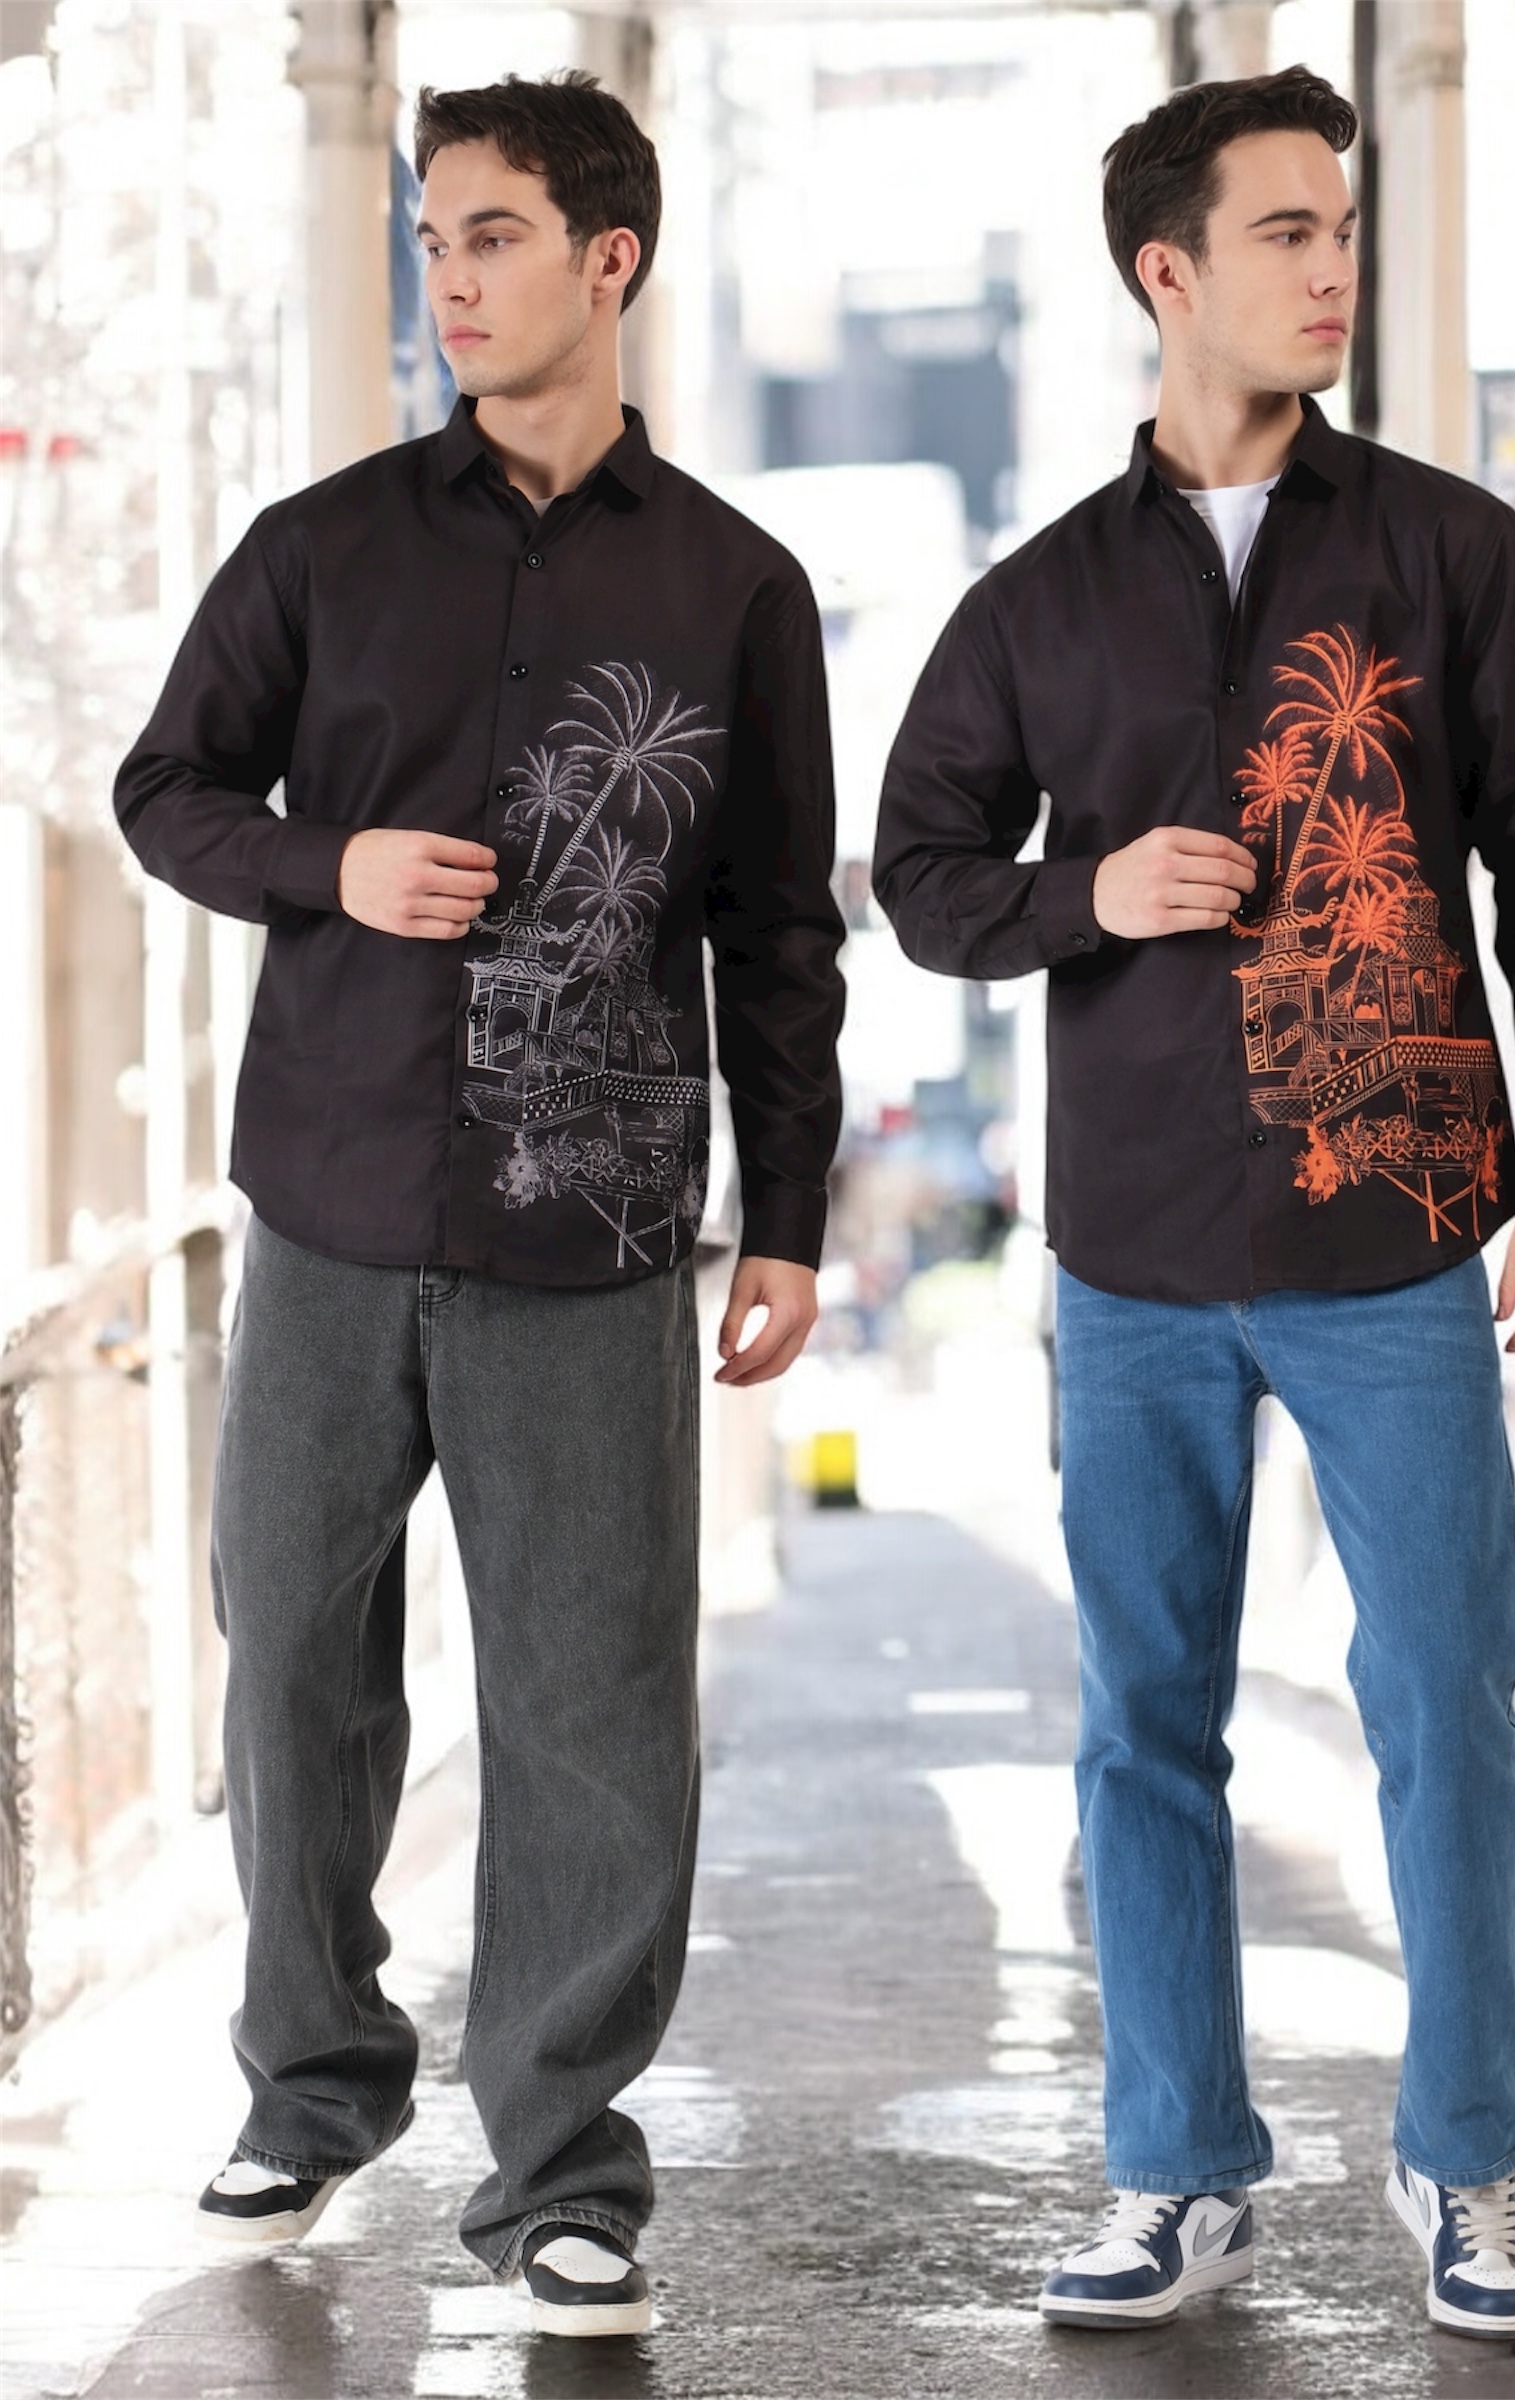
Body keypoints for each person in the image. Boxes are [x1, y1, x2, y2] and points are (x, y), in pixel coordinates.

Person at [874, 66, 1515, 2344]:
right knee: (1143, 1723)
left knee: (1445, 1702)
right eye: (1286, 231)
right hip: (1130, 1259)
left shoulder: (1448, 552)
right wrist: (1085, 894)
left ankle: (1465, 2162)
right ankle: (1177, 2172)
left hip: (1395, 1238)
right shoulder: (1037, 598)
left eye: (1343, 228)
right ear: (1166, 270)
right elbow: (916, 873)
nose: (1331, 269)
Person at [116, 71, 843, 2338]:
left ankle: (561, 2174)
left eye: (495, 234)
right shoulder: (321, 548)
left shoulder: (735, 587)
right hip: (329, 1201)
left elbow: (780, 932)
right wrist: (321, 865)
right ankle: (312, 2080)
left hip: (590, 1228)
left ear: (608, 258)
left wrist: (790, 1217)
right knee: (290, 1664)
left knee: (592, 1702)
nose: (449, 276)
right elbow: (164, 789)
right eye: (433, 236)